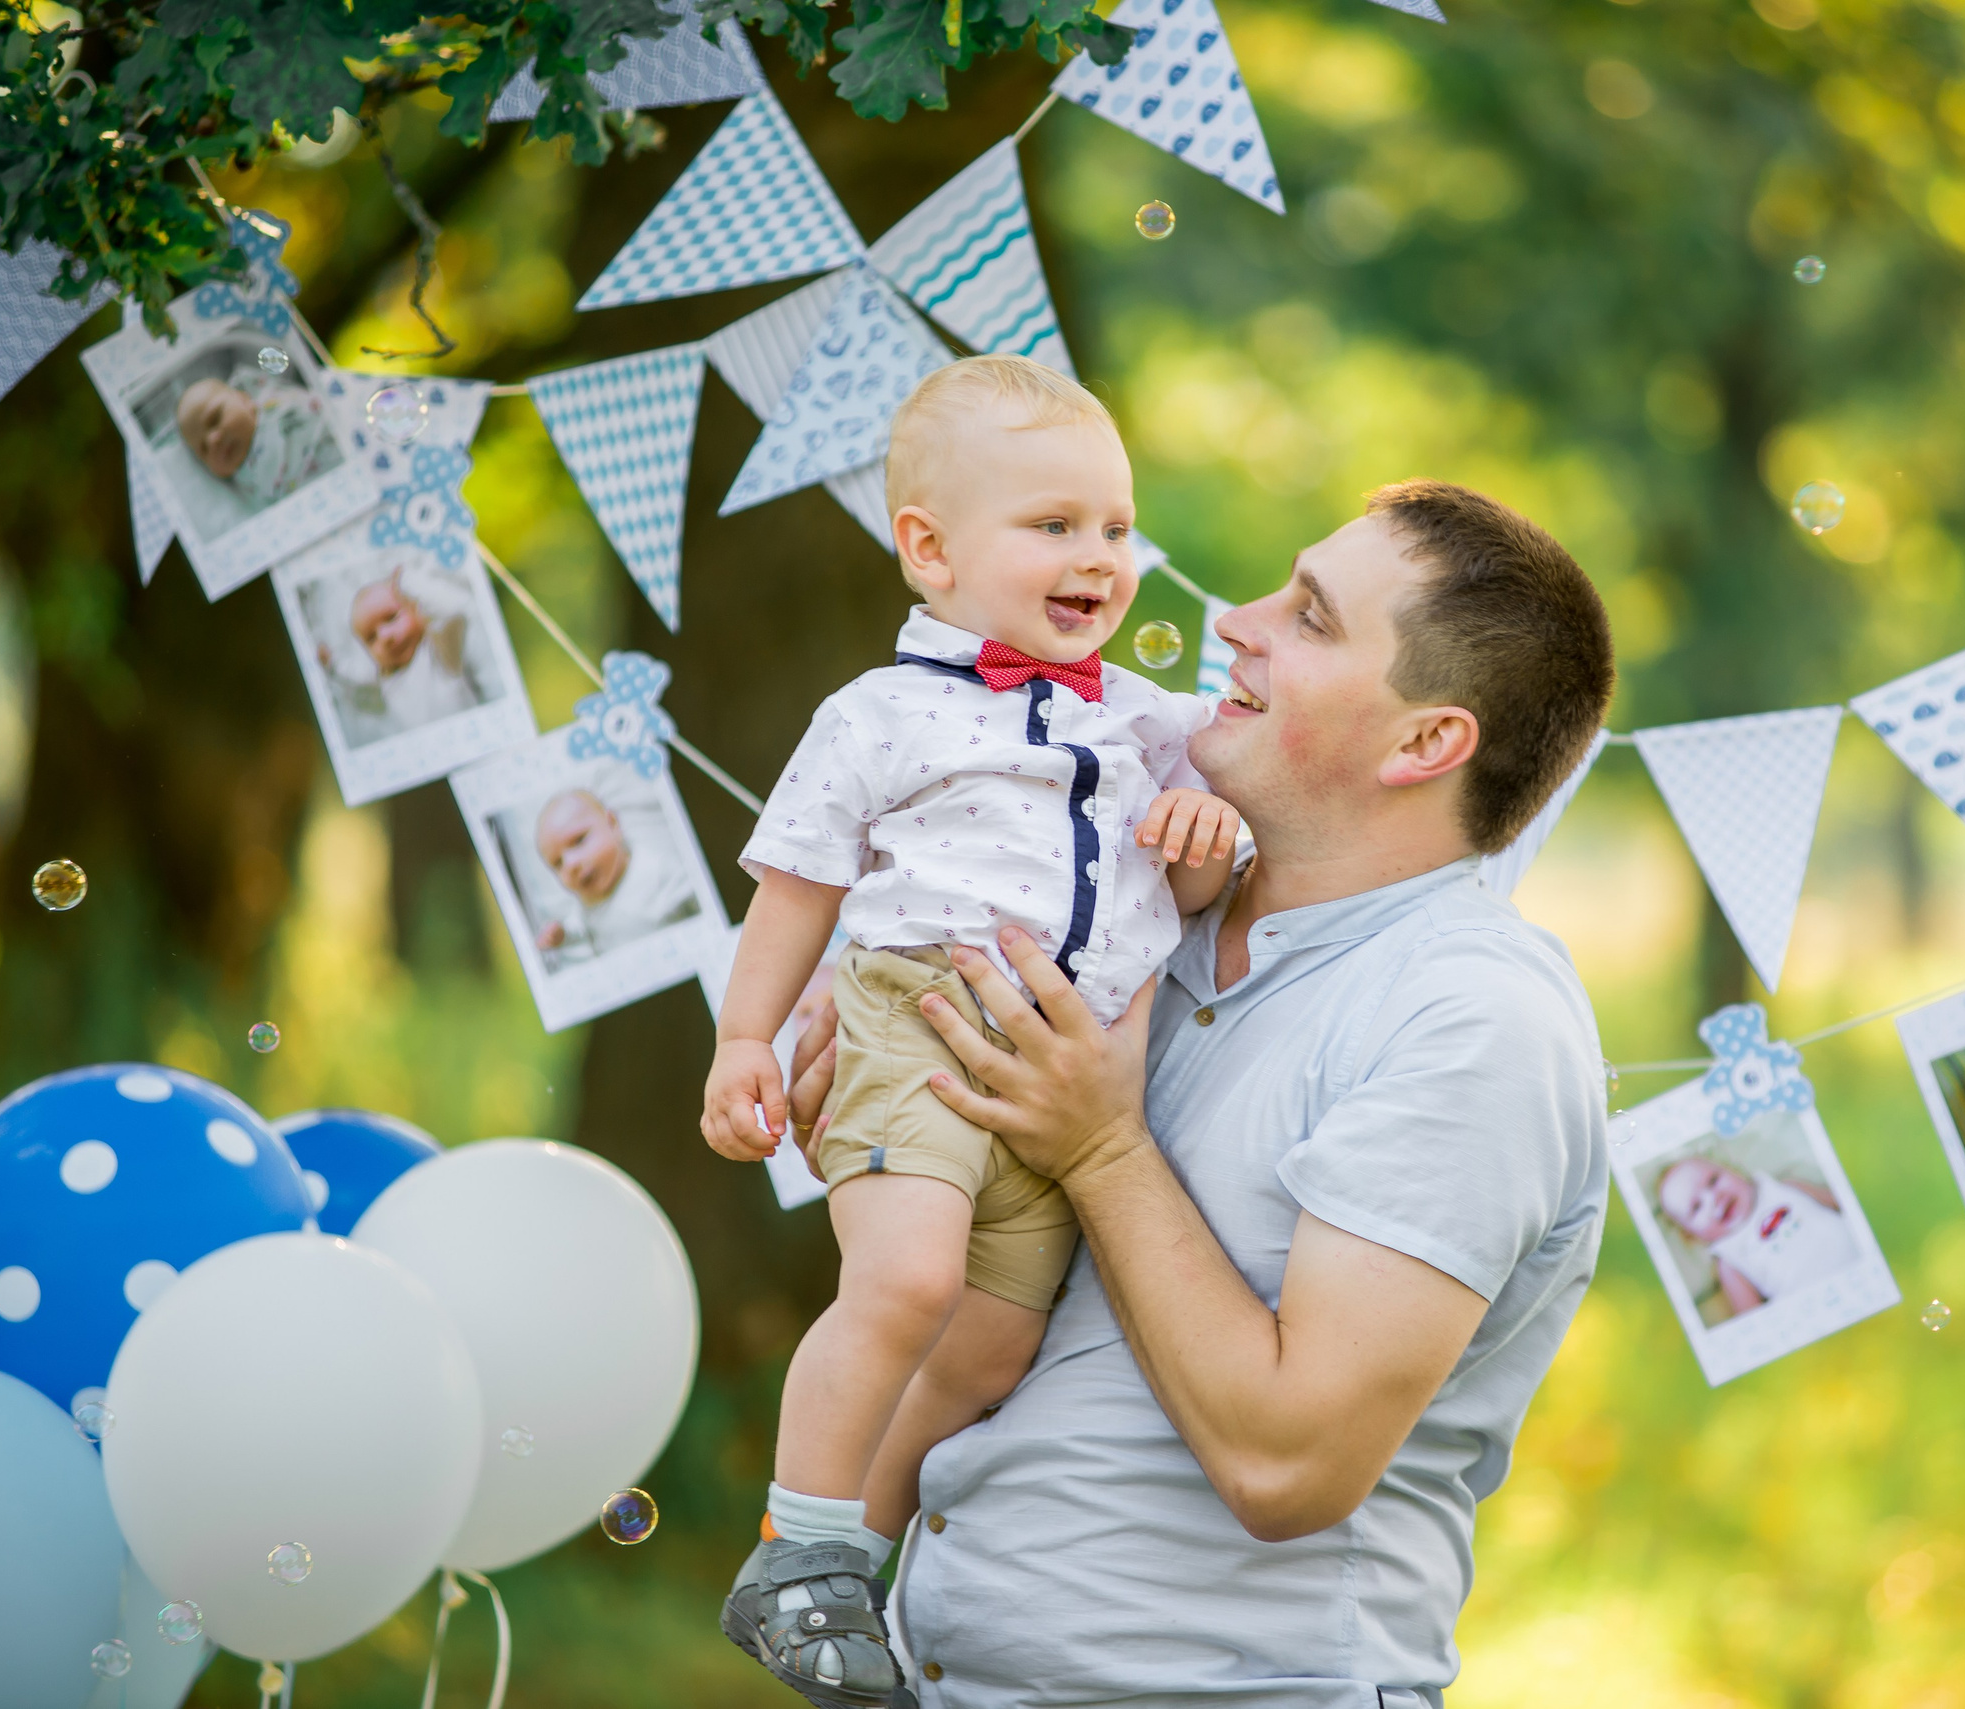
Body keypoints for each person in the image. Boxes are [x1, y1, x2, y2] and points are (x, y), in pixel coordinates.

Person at [729, 477, 1615, 1708]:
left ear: (1425, 742)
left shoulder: (1472, 1014)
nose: (1237, 621)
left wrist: (1099, 1145)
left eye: (1309, 618)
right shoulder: (1122, 918)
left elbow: (1286, 1464)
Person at [699, 355, 1243, 1708]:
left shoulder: (1144, 722)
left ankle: (852, 1563)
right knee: (903, 1282)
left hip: (1058, 1076)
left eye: (1117, 527)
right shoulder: (878, 715)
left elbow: (1181, 878)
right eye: (1053, 525)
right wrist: (745, 1039)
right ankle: (800, 1542)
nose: (1100, 555)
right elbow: (796, 888)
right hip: (917, 1020)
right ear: (930, 551)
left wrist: (1202, 837)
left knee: (993, 1343)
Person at [1655, 1153, 1851, 1318]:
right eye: (1697, 1207)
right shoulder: (1730, 1262)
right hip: (1818, 1310)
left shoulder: (1786, 1187)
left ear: (1732, 1169)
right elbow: (1754, 1321)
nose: (1714, 1197)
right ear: (1692, 1236)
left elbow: (1845, 1202)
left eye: (1713, 1180)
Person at [530, 784, 698, 962]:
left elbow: (695, 897)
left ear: (613, 823)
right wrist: (563, 935)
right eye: (558, 863)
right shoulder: (588, 903)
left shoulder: (656, 870)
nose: (571, 864)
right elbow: (581, 929)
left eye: (578, 841)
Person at [317, 565, 479, 732]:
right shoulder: (383, 674)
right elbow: (356, 676)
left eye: (391, 618)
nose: (385, 637)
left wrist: (406, 581)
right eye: (371, 638)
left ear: (416, 609)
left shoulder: (438, 651)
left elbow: (452, 611)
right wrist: (333, 663)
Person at [174, 364, 336, 508]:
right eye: (204, 449)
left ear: (243, 398)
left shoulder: (273, 406)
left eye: (215, 419)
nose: (213, 441)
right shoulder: (244, 491)